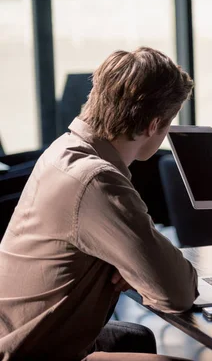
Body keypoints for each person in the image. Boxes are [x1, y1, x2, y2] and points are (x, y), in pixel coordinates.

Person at [0, 47, 198, 360]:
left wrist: (130, 264)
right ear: (153, 125)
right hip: (31, 353)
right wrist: (138, 267)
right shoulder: (96, 180)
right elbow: (177, 293)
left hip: (14, 336)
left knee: (134, 338)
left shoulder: (64, 150)